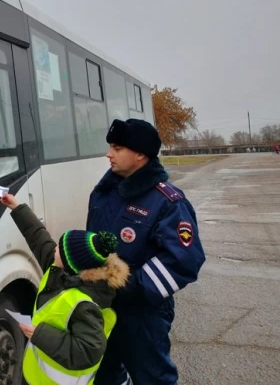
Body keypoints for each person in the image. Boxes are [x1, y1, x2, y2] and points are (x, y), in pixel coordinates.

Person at [88, 119, 205, 385]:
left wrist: (127, 286)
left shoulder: (168, 201)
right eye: (110, 147)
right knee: (104, 375)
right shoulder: (104, 192)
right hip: (101, 307)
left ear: (140, 154)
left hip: (143, 315)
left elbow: (184, 261)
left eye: (117, 148)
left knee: (153, 378)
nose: (109, 154)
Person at [0, 193, 130, 385]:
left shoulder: (85, 305)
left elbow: (89, 350)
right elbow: (39, 238)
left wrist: (39, 334)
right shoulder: (60, 272)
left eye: (59, 249)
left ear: (72, 265)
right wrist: (17, 207)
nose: (55, 249)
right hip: (37, 376)